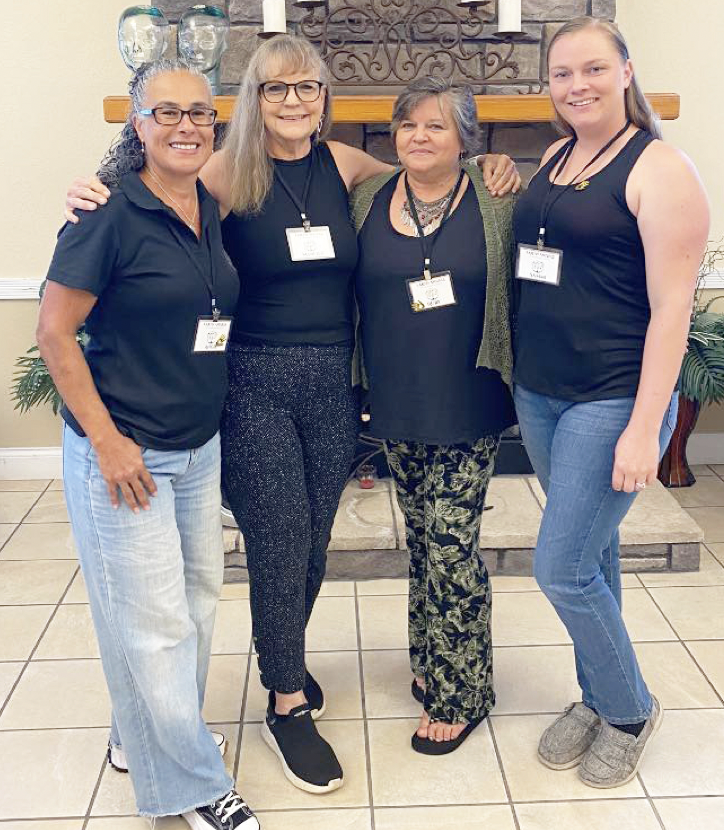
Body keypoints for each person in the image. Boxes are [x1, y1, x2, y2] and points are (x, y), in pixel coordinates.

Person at [64, 34, 520, 794]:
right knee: (279, 540)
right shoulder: (223, 167)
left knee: (311, 544)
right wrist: (96, 190)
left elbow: (429, 170)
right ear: (254, 98)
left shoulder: (343, 164)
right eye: (276, 89)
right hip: (254, 382)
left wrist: (488, 165)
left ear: (324, 95)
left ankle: (282, 658)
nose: (293, 102)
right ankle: (284, 699)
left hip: (333, 384)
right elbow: (150, 190)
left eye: (307, 87)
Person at [37, 61, 258, 829]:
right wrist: (106, 441)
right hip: (126, 453)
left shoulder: (208, 202)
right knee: (153, 622)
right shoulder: (105, 214)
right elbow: (54, 333)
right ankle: (193, 786)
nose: (187, 126)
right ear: (139, 126)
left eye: (200, 113)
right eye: (167, 113)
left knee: (193, 606)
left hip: (197, 447)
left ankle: (147, 740)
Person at [511, 17, 709, 788]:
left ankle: (628, 707)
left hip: (613, 396)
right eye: (562, 74)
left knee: (559, 568)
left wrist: (643, 432)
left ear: (625, 72)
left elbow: (672, 313)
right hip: (543, 393)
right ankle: (595, 697)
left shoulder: (659, 167)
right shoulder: (558, 155)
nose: (577, 86)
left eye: (593, 69)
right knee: (591, 555)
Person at [350, 76, 516, 754]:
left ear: (466, 141)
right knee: (421, 541)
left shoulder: (498, 197)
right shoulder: (367, 196)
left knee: (451, 547)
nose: (419, 137)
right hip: (394, 399)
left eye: (436, 126)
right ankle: (431, 660)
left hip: (468, 399)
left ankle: (465, 689)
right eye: (408, 125)